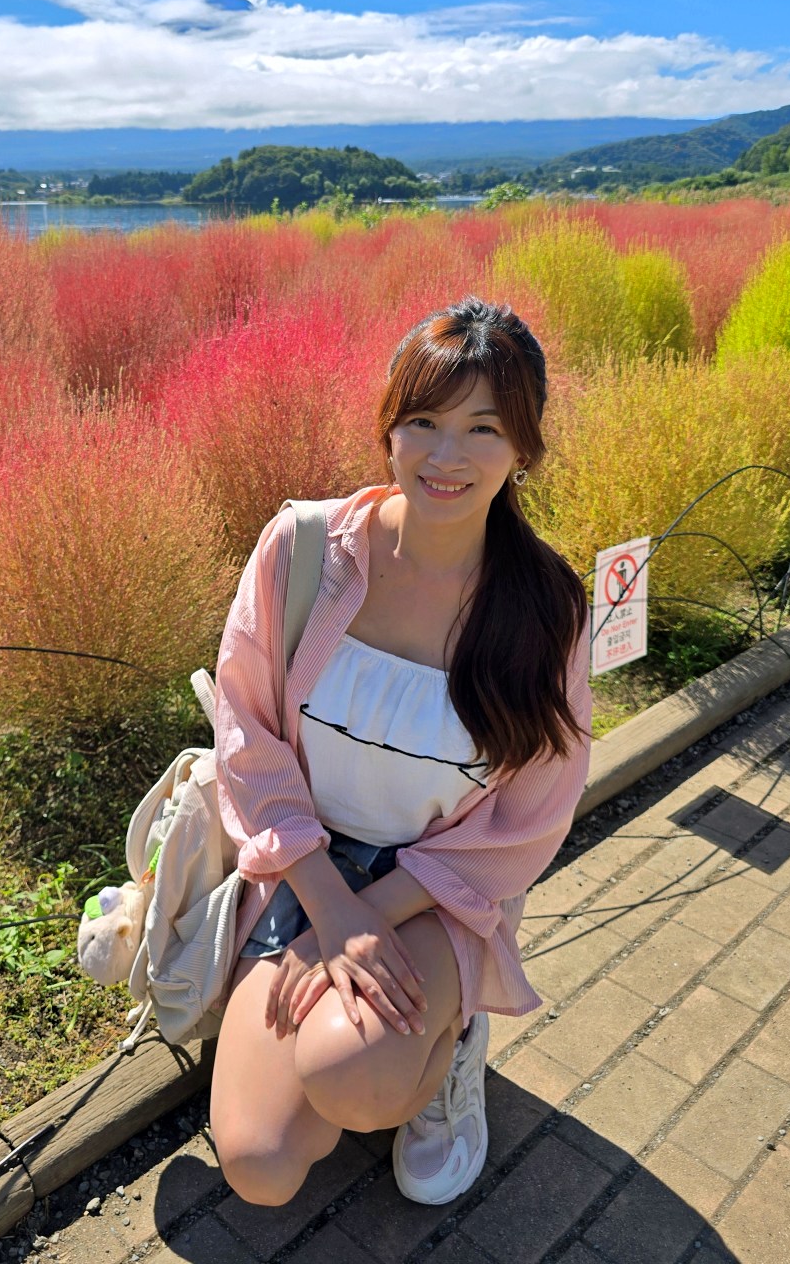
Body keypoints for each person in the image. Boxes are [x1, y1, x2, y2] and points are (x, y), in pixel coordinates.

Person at [208, 297, 592, 1210]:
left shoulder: (544, 609)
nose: (446, 456)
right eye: (423, 421)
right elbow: (245, 732)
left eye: (482, 429)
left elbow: (530, 812)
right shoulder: (306, 550)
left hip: (433, 885)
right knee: (261, 1166)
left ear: (523, 450)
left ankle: (442, 1050)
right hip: (302, 867)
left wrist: (368, 913)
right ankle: (367, 1049)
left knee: (356, 1076)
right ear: (389, 427)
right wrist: (327, 906)